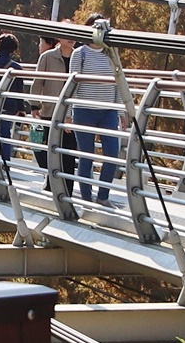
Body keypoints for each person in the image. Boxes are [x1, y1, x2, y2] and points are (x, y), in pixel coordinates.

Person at [68, 24, 121, 207]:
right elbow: (72, 84)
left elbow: (119, 81)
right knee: (87, 155)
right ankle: (86, 198)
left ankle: (103, 197)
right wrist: (67, 113)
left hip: (108, 111)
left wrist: (121, 111)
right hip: (84, 110)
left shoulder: (111, 53)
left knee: (112, 154)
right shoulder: (80, 53)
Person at [34, 33, 70, 176]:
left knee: (67, 152)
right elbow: (38, 82)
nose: (39, 46)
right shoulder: (47, 57)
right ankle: (49, 177)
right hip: (49, 111)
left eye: (41, 42)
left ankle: (64, 182)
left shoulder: (79, 56)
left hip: (70, 113)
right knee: (42, 146)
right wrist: (34, 105)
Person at [0, 33, 23, 166]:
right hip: (9, 104)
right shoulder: (16, 67)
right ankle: (5, 161)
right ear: (14, 49)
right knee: (5, 132)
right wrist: (21, 108)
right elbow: (19, 89)